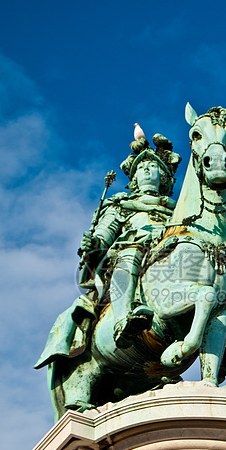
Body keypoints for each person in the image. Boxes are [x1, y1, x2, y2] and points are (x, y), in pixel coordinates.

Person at [79, 134, 181, 348]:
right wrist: (94, 244)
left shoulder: (178, 210)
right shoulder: (121, 204)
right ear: (133, 179)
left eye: (152, 166)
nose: (145, 170)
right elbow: (104, 236)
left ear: (163, 176)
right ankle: (122, 322)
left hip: (167, 250)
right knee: (129, 254)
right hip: (133, 250)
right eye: (140, 168)